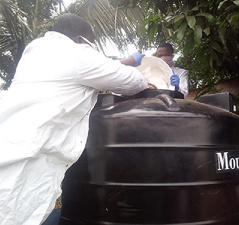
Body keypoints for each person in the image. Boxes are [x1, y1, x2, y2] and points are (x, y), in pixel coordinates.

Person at [0, 13, 148, 225]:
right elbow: (134, 82)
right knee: (35, 212)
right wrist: (135, 64)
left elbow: (86, 69)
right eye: (92, 43)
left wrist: (124, 61)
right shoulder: (77, 54)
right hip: (33, 165)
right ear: (80, 40)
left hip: (9, 145)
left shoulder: (36, 52)